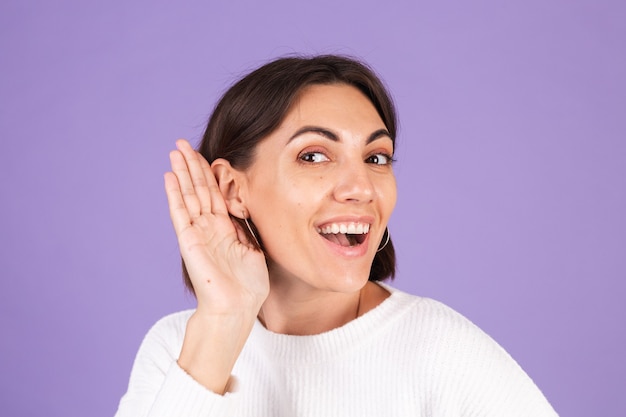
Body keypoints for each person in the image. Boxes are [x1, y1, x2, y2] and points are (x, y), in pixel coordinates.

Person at [115, 55, 558, 416]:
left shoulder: (441, 350)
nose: (362, 187)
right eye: (313, 155)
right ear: (233, 189)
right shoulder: (178, 347)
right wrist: (224, 321)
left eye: (377, 158)